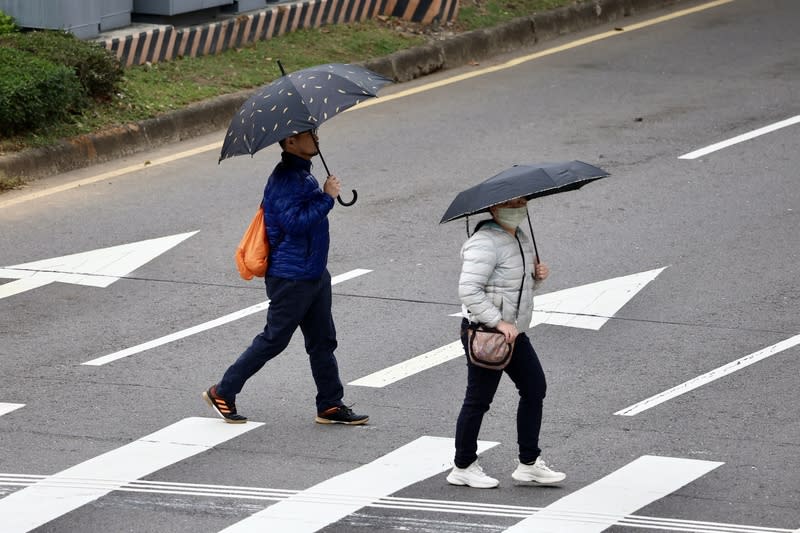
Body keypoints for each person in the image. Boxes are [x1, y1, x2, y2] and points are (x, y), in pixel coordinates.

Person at [203, 128, 368, 426]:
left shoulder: (302, 174)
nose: (317, 138)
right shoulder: (285, 179)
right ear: (290, 142)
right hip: (291, 277)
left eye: (316, 132)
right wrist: (327, 198)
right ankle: (222, 391)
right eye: (309, 134)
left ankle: (330, 405)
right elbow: (294, 224)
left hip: (313, 273)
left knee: (322, 341)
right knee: (274, 339)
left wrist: (322, 195)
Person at [446, 196, 565, 488]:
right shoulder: (484, 242)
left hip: (514, 331)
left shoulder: (519, 237)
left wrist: (537, 278)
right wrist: (497, 322)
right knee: (479, 399)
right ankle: (463, 465)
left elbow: (513, 287)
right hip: (487, 332)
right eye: (512, 203)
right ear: (494, 208)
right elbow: (469, 290)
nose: (519, 207)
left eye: (522, 201)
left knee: (535, 387)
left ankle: (528, 463)